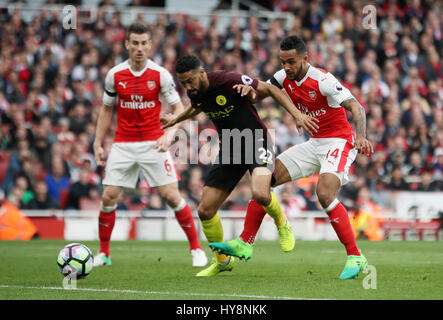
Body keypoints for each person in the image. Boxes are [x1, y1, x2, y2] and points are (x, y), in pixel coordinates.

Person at [210, 35, 374, 280]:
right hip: (314, 143)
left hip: (339, 140)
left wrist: (360, 136)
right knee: (264, 179)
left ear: (304, 58)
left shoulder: (323, 80)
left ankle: (355, 255)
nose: (286, 67)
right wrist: (249, 91)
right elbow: (260, 94)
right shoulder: (281, 77)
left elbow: (357, 108)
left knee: (325, 193)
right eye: (282, 61)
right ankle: (245, 242)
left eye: (291, 62)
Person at [162, 54, 319, 277]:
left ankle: (282, 222)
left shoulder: (227, 79)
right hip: (230, 147)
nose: (187, 86)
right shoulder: (195, 91)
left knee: (261, 194)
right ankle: (223, 262)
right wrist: (176, 120)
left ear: (201, 73)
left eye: (189, 80)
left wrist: (297, 115)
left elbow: (270, 89)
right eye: (182, 82)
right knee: (205, 210)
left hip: (254, 138)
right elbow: (196, 107)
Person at [93, 22, 207, 268]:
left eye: (144, 43)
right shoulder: (115, 75)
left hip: (153, 142)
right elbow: (106, 109)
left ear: (150, 45)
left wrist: (170, 134)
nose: (139, 48)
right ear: (127, 45)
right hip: (123, 143)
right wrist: (97, 142)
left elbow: (179, 109)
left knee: (171, 196)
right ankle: (104, 253)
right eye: (135, 43)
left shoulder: (160, 75)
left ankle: (197, 249)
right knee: (108, 197)